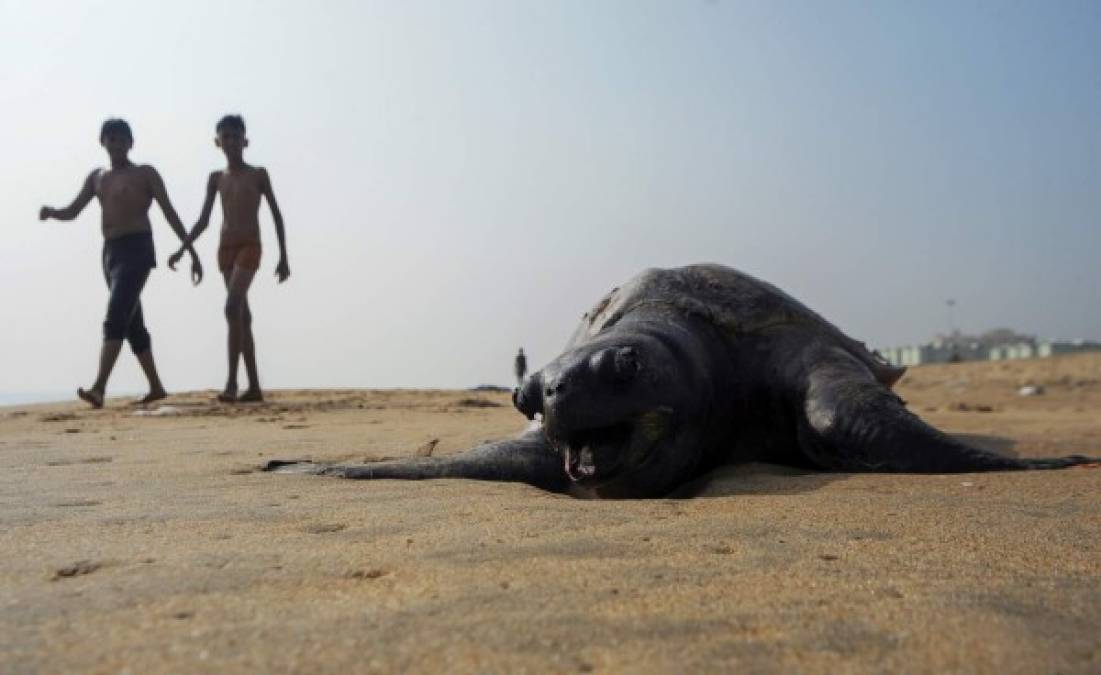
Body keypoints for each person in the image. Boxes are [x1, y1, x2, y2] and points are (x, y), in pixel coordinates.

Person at [40, 118, 202, 408]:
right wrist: (53, 212)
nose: (116, 144)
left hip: (138, 249)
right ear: (103, 142)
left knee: (116, 313)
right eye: (111, 138)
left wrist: (189, 250)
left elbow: (169, 212)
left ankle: (99, 388)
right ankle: (156, 387)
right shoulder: (97, 177)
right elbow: (73, 210)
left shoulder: (145, 173)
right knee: (132, 322)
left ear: (131, 143)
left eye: (122, 139)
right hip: (110, 253)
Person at [169, 115, 289, 403]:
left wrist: (284, 256)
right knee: (242, 316)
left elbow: (275, 213)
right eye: (226, 137)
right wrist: (183, 248)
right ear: (217, 142)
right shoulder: (216, 178)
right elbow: (203, 220)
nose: (232, 142)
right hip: (225, 249)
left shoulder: (258, 174)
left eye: (236, 136)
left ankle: (232, 383)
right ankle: (255, 387)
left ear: (245, 140)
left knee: (231, 306)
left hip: (250, 245)